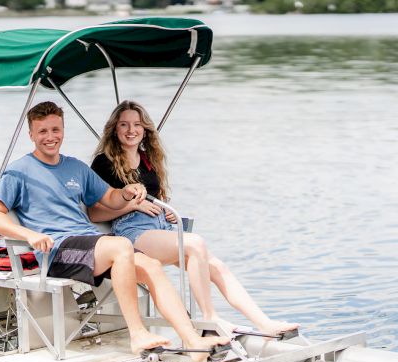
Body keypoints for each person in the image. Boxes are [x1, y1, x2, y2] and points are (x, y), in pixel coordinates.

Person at [0, 101, 229, 362]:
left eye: (55, 130)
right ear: (31, 134)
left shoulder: (75, 167)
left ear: (63, 131)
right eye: (42, 131)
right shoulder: (19, 171)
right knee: (121, 245)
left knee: (151, 265)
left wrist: (125, 192)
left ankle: (192, 340)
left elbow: (110, 196)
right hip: (58, 251)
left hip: (92, 243)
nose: (50, 137)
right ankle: (137, 334)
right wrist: (29, 235)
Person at [89, 100, 299, 337]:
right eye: (124, 124)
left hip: (161, 226)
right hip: (131, 232)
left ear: (145, 129)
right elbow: (94, 212)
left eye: (137, 124)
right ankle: (209, 318)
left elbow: (155, 199)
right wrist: (130, 206)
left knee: (218, 266)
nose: (131, 130)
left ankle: (264, 322)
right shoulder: (103, 163)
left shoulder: (148, 158)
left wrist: (166, 209)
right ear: (114, 129)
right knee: (195, 243)